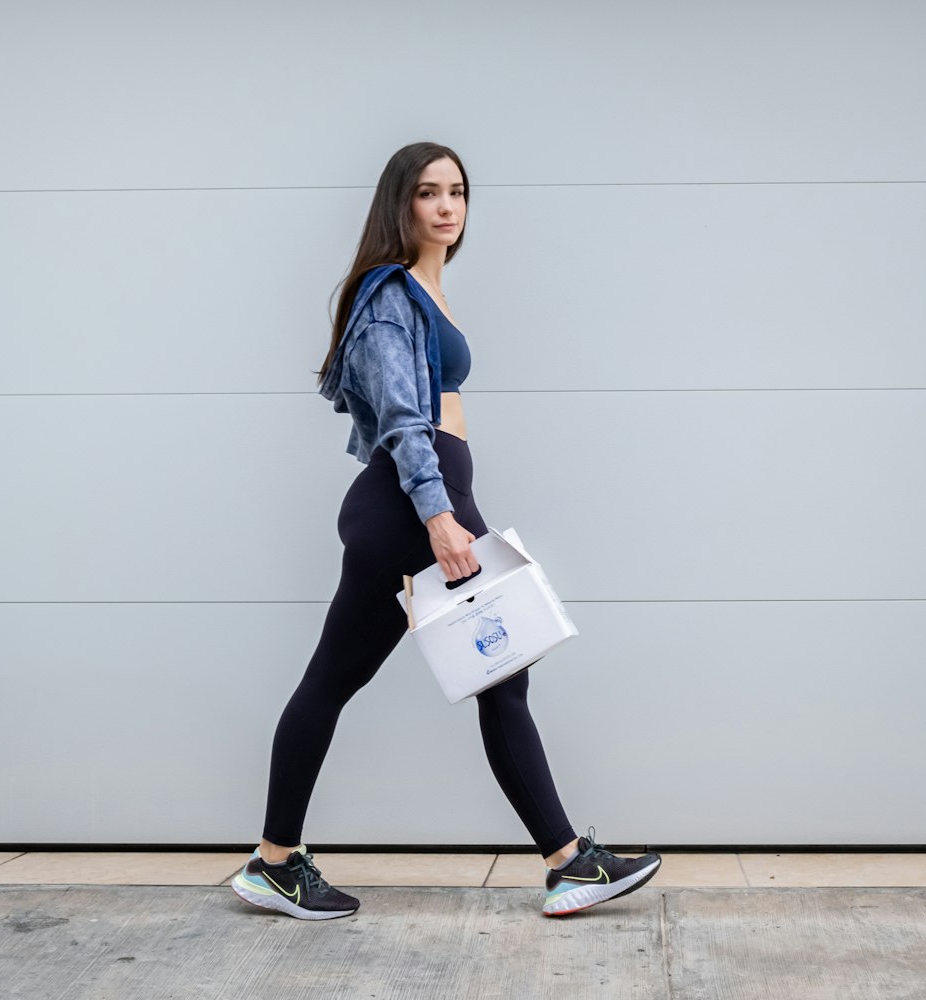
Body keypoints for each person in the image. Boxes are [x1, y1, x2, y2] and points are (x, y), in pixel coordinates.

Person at [231, 142, 661, 920]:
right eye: (428, 192)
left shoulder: (425, 288)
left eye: (457, 191)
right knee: (504, 668)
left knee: (335, 679)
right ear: (400, 203)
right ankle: (567, 862)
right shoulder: (390, 291)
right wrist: (439, 517)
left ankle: (273, 861)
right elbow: (402, 419)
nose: (446, 206)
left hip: (413, 505)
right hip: (411, 508)